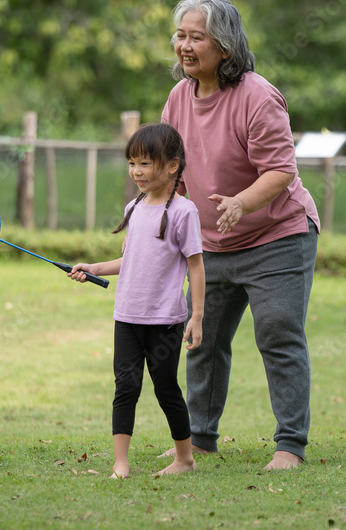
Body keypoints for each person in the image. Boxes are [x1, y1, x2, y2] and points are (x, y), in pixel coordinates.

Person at [159, 0, 320, 470]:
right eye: (180, 36)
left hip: (278, 236)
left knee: (277, 332)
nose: (184, 46)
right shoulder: (178, 98)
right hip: (213, 243)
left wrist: (240, 203)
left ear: (224, 47)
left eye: (196, 37)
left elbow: (280, 170)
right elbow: (173, 172)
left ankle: (290, 445)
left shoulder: (257, 95)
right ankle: (201, 438)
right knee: (202, 338)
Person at [68, 122, 206, 479]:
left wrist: (197, 315)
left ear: (172, 165)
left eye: (145, 163)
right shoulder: (135, 206)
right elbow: (131, 258)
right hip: (127, 317)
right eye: (132, 163)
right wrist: (93, 267)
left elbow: (196, 266)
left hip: (165, 320)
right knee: (125, 387)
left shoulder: (183, 211)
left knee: (165, 388)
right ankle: (121, 463)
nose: (137, 171)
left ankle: (185, 459)